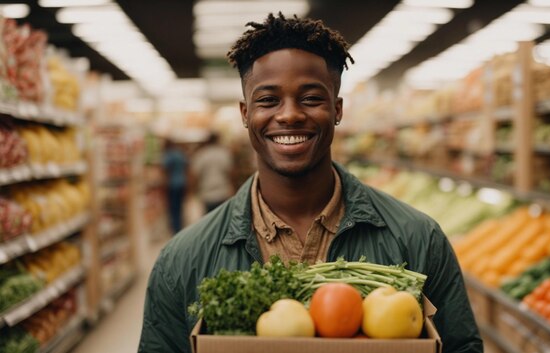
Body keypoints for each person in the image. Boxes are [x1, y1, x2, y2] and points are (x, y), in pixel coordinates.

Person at [139, 13, 483, 353]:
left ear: (337, 109)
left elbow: (461, 347)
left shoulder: (418, 240)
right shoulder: (182, 261)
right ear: (245, 114)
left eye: (311, 98)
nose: (289, 114)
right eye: (268, 100)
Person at [189, 132, 234, 214]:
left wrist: (194, 191)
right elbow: (230, 172)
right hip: (223, 192)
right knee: (223, 220)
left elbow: (195, 174)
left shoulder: (202, 154)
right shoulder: (224, 153)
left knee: (210, 221)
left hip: (207, 194)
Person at [161, 138, 187, 234]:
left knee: (174, 208)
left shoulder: (168, 155)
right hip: (182, 183)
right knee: (180, 207)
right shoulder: (180, 154)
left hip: (172, 185)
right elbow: (186, 167)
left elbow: (165, 170)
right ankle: (181, 226)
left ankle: (176, 229)